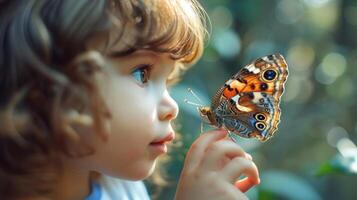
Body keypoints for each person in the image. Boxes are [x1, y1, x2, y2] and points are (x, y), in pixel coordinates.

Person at [0, 0, 260, 199]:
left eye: (168, 81)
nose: (172, 108)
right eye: (142, 73)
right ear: (50, 83)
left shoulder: (122, 187)